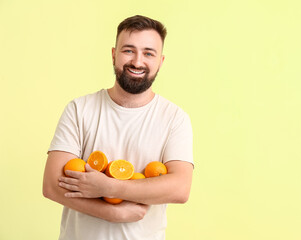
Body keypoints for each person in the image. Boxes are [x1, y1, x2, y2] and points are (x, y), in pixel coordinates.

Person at [42, 15, 194, 240]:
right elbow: (52, 185)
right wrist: (112, 212)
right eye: (128, 50)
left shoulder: (174, 118)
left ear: (160, 61)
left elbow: (180, 188)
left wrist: (109, 188)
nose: (137, 61)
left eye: (148, 53)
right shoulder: (79, 109)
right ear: (114, 54)